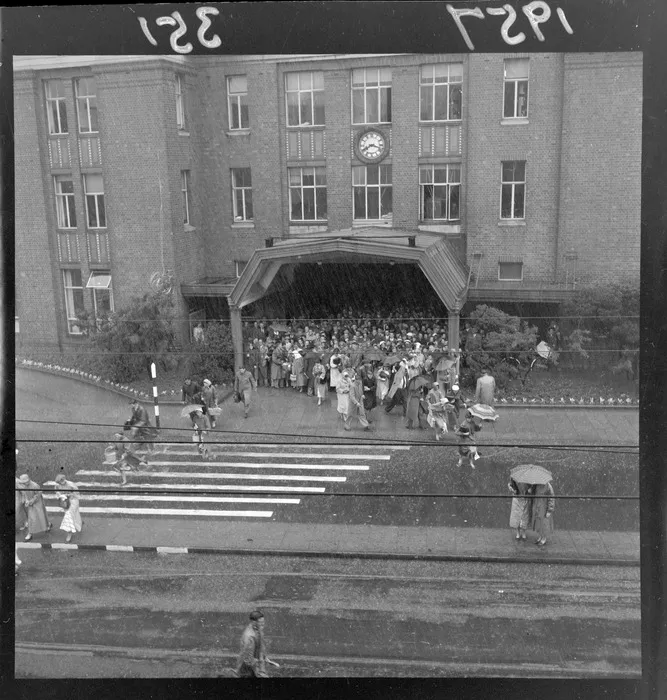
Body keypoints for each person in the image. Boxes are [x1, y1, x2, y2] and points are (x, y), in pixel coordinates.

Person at [235, 610, 279, 678]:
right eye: (260, 622)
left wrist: (266, 659)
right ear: (253, 622)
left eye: (263, 621)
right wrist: (260, 672)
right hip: (248, 669)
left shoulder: (257, 630)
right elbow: (248, 659)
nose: (263, 624)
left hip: (254, 666)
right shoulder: (249, 637)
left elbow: (260, 647)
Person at [19, 473, 52, 541]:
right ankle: (47, 525)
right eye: (23, 482)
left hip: (37, 503)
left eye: (26, 482)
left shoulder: (35, 485)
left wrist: (30, 501)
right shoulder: (23, 485)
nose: (25, 483)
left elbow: (38, 495)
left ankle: (30, 533)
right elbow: (25, 494)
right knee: (37, 517)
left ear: (29, 479)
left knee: (35, 517)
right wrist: (26, 501)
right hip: (32, 503)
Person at [54, 474, 83, 543]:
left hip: (73, 502)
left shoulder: (71, 484)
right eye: (60, 481)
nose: (62, 481)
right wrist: (60, 496)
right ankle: (79, 523)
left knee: (68, 517)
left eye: (63, 479)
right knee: (73, 515)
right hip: (65, 503)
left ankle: (69, 533)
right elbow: (57, 493)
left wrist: (69, 495)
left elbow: (77, 493)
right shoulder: (57, 486)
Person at [529, 482, 556, 546]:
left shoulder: (548, 485)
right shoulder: (535, 485)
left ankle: (544, 538)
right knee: (538, 523)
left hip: (544, 506)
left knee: (543, 523)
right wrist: (530, 491)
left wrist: (549, 510)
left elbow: (551, 497)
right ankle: (540, 536)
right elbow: (533, 494)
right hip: (536, 506)